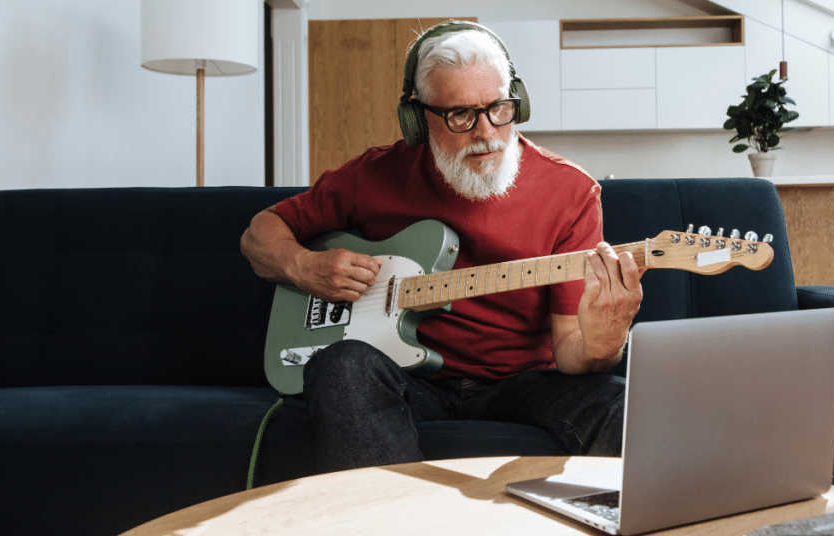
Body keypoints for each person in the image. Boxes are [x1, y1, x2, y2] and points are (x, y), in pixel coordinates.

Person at [240, 21, 643, 473]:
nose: (486, 133)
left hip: (521, 383)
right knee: (343, 366)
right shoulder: (373, 175)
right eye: (460, 115)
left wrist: (604, 343)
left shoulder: (571, 192)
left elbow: (571, 350)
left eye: (499, 109)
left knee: (623, 404)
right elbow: (261, 231)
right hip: (407, 379)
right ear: (417, 119)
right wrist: (304, 266)